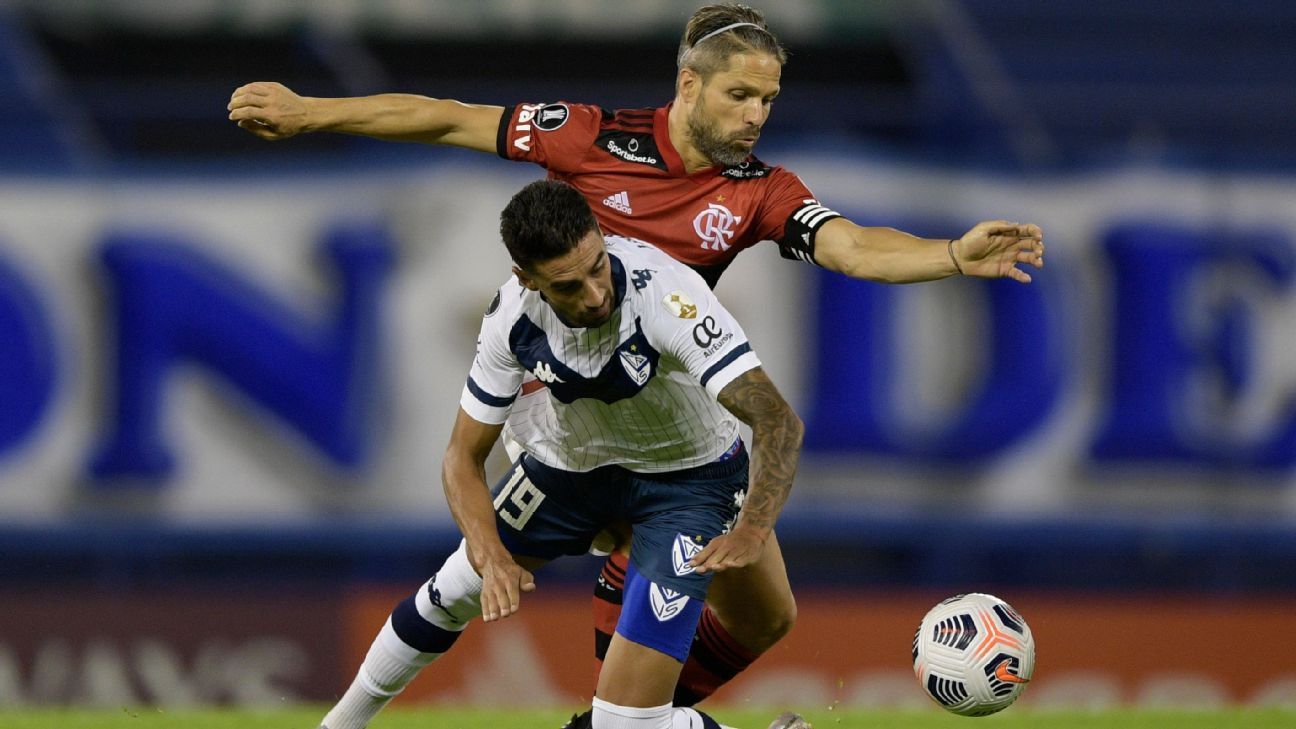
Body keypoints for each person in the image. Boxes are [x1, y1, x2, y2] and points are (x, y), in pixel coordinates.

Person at [229, 2, 1045, 715]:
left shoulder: (759, 189)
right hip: (577, 424)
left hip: (680, 430)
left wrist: (950, 252)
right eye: (740, 95)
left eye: (767, 99)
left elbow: (857, 247)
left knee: (767, 616)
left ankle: (630, 715)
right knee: (473, 576)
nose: (756, 114)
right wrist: (310, 111)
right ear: (688, 84)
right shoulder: (589, 136)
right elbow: (446, 116)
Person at [320, 178, 805, 729]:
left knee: (632, 719)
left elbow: (778, 421)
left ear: (601, 235)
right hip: (570, 469)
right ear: (527, 279)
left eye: (598, 267)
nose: (595, 295)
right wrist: (489, 553)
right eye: (569, 285)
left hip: (686, 482)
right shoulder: (511, 316)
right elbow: (461, 456)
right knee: (454, 588)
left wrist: (751, 529)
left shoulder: (670, 297)